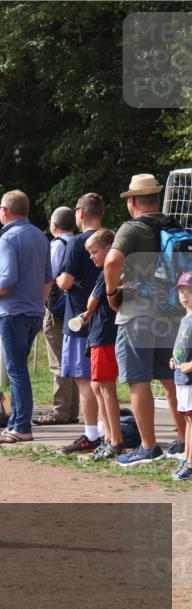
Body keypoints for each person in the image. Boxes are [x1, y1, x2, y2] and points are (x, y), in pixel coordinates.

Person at [107, 174, 182, 466]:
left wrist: (113, 292)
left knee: (137, 380)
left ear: (134, 201)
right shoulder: (173, 225)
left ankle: (148, 446)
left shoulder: (133, 228)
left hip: (137, 313)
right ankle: (184, 441)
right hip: (172, 313)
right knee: (170, 378)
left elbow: (112, 261)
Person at [0, 190, 52, 444]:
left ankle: (21, 425)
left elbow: (7, 280)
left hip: (12, 311)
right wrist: (39, 304)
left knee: (16, 370)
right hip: (33, 311)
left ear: (5, 211)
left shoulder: (9, 238)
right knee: (19, 368)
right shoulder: (40, 237)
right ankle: (17, 422)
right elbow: (47, 278)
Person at [57, 196, 106, 454]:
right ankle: (104, 430)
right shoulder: (111, 238)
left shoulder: (77, 242)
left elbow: (65, 281)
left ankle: (91, 433)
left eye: (76, 210)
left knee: (84, 380)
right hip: (105, 318)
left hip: (79, 318)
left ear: (83, 213)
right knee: (101, 380)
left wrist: (57, 281)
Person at [80, 229, 124, 461]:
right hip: (99, 334)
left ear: (108, 249)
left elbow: (93, 302)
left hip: (105, 335)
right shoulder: (104, 271)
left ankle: (115, 440)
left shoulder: (107, 270)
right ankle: (108, 436)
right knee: (98, 386)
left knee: (106, 387)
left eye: (94, 252)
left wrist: (85, 314)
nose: (92, 257)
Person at [34, 208, 79, 426]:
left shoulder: (57, 246)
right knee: (73, 358)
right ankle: (72, 409)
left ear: (54, 226)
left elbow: (48, 276)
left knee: (59, 360)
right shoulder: (78, 243)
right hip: (75, 308)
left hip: (56, 309)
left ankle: (60, 410)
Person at [170, 272, 192, 480]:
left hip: (190, 378)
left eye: (190, 292)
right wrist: (174, 359)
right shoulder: (185, 318)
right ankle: (186, 457)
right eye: (182, 291)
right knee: (187, 419)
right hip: (182, 379)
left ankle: (191, 462)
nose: (185, 295)